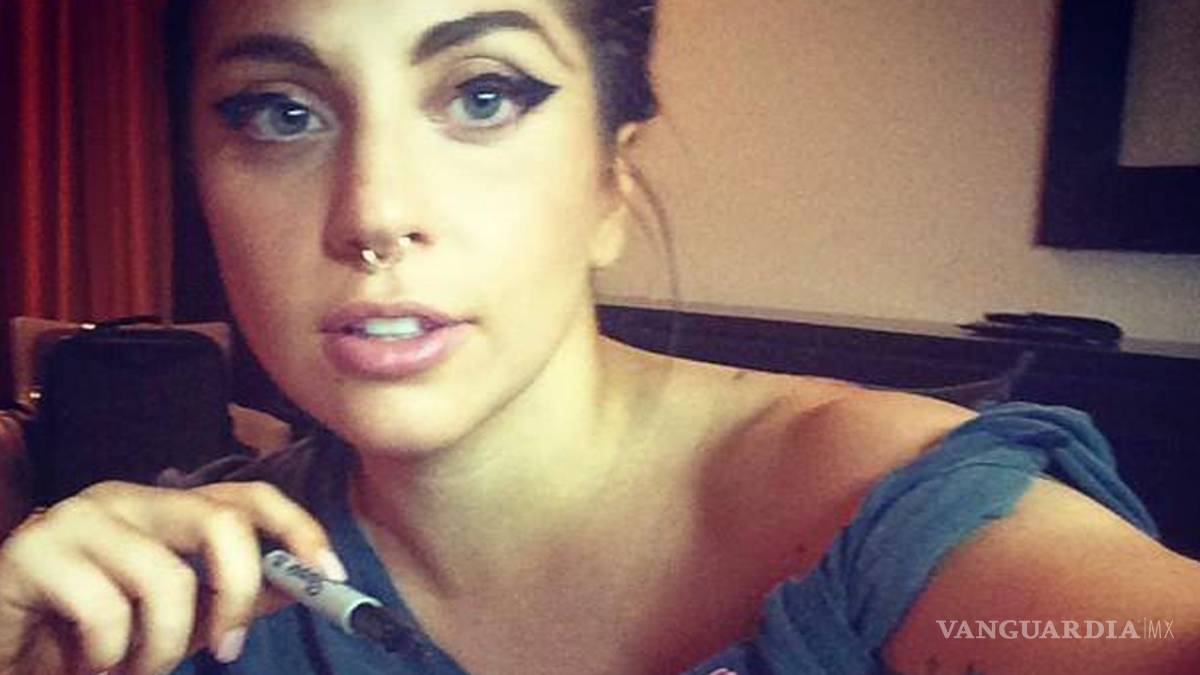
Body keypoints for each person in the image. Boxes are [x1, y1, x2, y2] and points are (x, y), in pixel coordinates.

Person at [1, 1, 1197, 673]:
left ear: (611, 183)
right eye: (283, 112)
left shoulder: (894, 517)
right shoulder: (196, 594)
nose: (373, 213)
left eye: (482, 96)